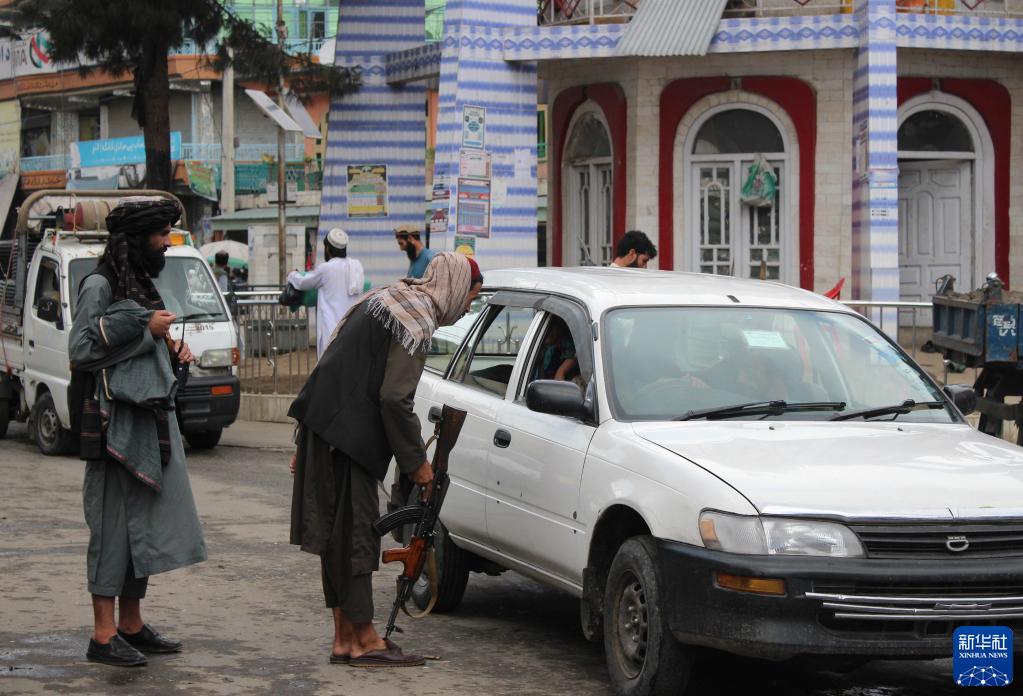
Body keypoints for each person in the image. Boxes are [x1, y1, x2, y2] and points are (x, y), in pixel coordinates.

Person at [288, 253, 484, 668]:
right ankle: (363, 639)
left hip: (324, 430)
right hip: (345, 439)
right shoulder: (417, 320)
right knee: (357, 538)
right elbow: (395, 400)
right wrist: (418, 464)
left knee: (338, 541)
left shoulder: (390, 299)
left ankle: (346, 637)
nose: (468, 306)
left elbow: (334, 362)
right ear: (454, 287)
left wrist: (304, 438)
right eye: (472, 296)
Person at [68, 197, 207, 668]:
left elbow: (137, 346)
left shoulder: (139, 282)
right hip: (111, 431)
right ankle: (102, 635)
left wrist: (169, 350)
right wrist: (144, 331)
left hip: (142, 427)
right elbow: (82, 351)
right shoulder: (99, 285)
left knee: (138, 531)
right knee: (110, 531)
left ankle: (129, 623)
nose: (166, 242)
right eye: (160, 234)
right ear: (136, 238)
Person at [287, 228, 366, 358]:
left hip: (332, 330)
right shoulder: (356, 266)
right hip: (352, 329)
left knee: (330, 371)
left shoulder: (326, 268)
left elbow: (303, 282)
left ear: (327, 249)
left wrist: (292, 275)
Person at [536, 316, 579, 382]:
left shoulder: (567, 342)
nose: (548, 331)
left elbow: (573, 355)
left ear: (560, 328)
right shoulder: (540, 347)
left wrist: (561, 372)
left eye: (552, 327)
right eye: (547, 328)